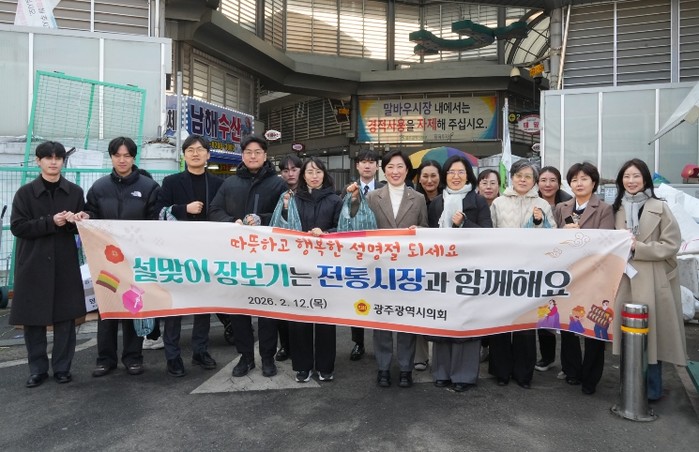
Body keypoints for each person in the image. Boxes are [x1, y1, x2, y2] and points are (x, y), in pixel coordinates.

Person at [9, 141, 87, 387]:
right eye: (48, 158)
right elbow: (18, 227)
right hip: (33, 263)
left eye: (58, 158)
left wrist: (79, 220)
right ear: (38, 161)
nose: (53, 162)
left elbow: (80, 228)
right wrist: (50, 221)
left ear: (63, 161)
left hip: (64, 263)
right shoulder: (25, 193)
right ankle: (37, 369)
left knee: (66, 319)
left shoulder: (74, 192)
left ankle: (63, 368)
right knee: (33, 320)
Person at [348, 149, 428, 388]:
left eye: (400, 166)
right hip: (379, 269)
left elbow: (426, 228)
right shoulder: (372, 197)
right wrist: (353, 200)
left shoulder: (418, 198)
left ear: (407, 170)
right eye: (390, 167)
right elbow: (359, 224)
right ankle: (383, 367)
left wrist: (419, 231)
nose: (395, 171)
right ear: (384, 170)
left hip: (408, 270)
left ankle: (405, 368)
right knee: (381, 319)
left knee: (406, 320)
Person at [83, 136, 161, 377]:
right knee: (106, 309)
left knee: (133, 307)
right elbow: (91, 214)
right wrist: (86, 216)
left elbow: (155, 222)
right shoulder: (99, 187)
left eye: (127, 155)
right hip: (105, 260)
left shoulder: (149, 187)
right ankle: (105, 359)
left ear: (134, 158)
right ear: (111, 157)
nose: (122, 160)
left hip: (135, 260)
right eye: (117, 155)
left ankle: (133, 357)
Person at [209, 135, 286, 378]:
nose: (253, 156)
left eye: (257, 152)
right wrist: (231, 221)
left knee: (267, 311)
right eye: (248, 152)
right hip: (236, 256)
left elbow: (286, 215)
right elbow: (214, 210)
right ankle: (245, 357)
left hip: (266, 256)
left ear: (265, 155)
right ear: (242, 156)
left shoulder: (277, 184)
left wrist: (262, 218)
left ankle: (267, 358)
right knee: (238, 308)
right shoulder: (230, 183)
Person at [612, 158, 688, 400]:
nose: (631, 181)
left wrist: (640, 247)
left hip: (652, 279)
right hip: (625, 279)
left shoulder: (660, 208)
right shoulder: (617, 208)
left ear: (645, 179)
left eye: (636, 176)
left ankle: (652, 389)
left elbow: (672, 244)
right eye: (626, 176)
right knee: (628, 335)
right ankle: (630, 387)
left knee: (652, 336)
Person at [154, 134, 223, 377]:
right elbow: (158, 212)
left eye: (200, 149)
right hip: (177, 252)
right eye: (190, 149)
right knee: (175, 305)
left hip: (207, 251)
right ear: (184, 155)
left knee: (203, 304)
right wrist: (184, 209)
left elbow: (223, 213)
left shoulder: (218, 183)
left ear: (208, 155)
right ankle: (172, 356)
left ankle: (200, 351)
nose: (195, 153)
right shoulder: (171, 182)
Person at [427, 155, 492, 392]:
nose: (456, 177)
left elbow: (488, 234)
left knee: (466, 322)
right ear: (445, 176)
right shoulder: (437, 203)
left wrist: (465, 224)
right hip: (442, 270)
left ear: (468, 176)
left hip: (469, 270)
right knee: (443, 320)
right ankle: (442, 372)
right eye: (451, 172)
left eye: (461, 172)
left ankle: (463, 375)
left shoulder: (478, 201)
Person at [489, 160, 556, 389]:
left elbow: (553, 236)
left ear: (534, 181)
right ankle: (501, 372)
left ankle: (523, 374)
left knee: (525, 324)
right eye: (519, 175)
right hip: (502, 270)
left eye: (528, 176)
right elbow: (489, 235)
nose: (523, 180)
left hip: (530, 271)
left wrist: (539, 222)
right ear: (512, 177)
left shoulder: (542, 204)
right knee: (501, 323)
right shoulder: (498, 202)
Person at [279, 158, 342, 382]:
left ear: (324, 174)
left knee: (325, 317)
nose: (314, 176)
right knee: (300, 317)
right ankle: (302, 366)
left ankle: (325, 366)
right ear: (303, 176)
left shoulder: (335, 200)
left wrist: (326, 234)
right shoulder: (293, 199)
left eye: (318, 172)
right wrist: (285, 208)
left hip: (326, 267)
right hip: (299, 266)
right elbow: (283, 227)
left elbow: (342, 229)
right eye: (309, 172)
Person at [554, 162, 614, 395]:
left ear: (593, 182)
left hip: (594, 275)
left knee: (594, 325)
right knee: (569, 324)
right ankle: (572, 371)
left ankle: (590, 377)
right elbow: (552, 241)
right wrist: (562, 234)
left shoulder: (604, 209)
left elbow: (606, 242)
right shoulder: (562, 207)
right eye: (574, 179)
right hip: (568, 274)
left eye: (584, 179)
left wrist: (580, 236)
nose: (579, 183)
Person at [535, 166, 573, 374]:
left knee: (565, 314)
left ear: (559, 183)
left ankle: (569, 364)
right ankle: (547, 357)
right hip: (541, 264)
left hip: (564, 265)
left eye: (552, 180)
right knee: (544, 313)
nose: (547, 184)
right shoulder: (532, 201)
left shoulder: (568, 204)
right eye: (543, 180)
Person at [348, 149, 384, 362]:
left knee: (380, 298)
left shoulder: (385, 189)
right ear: (357, 166)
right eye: (363, 162)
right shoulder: (348, 191)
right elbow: (346, 218)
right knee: (358, 299)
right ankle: (358, 342)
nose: (368, 165)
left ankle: (381, 344)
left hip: (381, 254)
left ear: (377, 166)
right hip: (357, 255)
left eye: (372, 162)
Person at [413, 159, 443, 371]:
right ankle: (420, 357)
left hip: (443, 263)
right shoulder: (413, 199)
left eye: (433, 175)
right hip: (419, 263)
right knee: (419, 310)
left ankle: (441, 357)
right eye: (425, 176)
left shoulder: (449, 199)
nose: (429, 180)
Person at [274, 154, 303, 362]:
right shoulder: (279, 193)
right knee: (282, 304)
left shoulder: (308, 192)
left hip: (304, 258)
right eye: (285, 170)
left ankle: (301, 345)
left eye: (294, 169)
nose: (290, 174)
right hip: (283, 257)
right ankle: (285, 345)